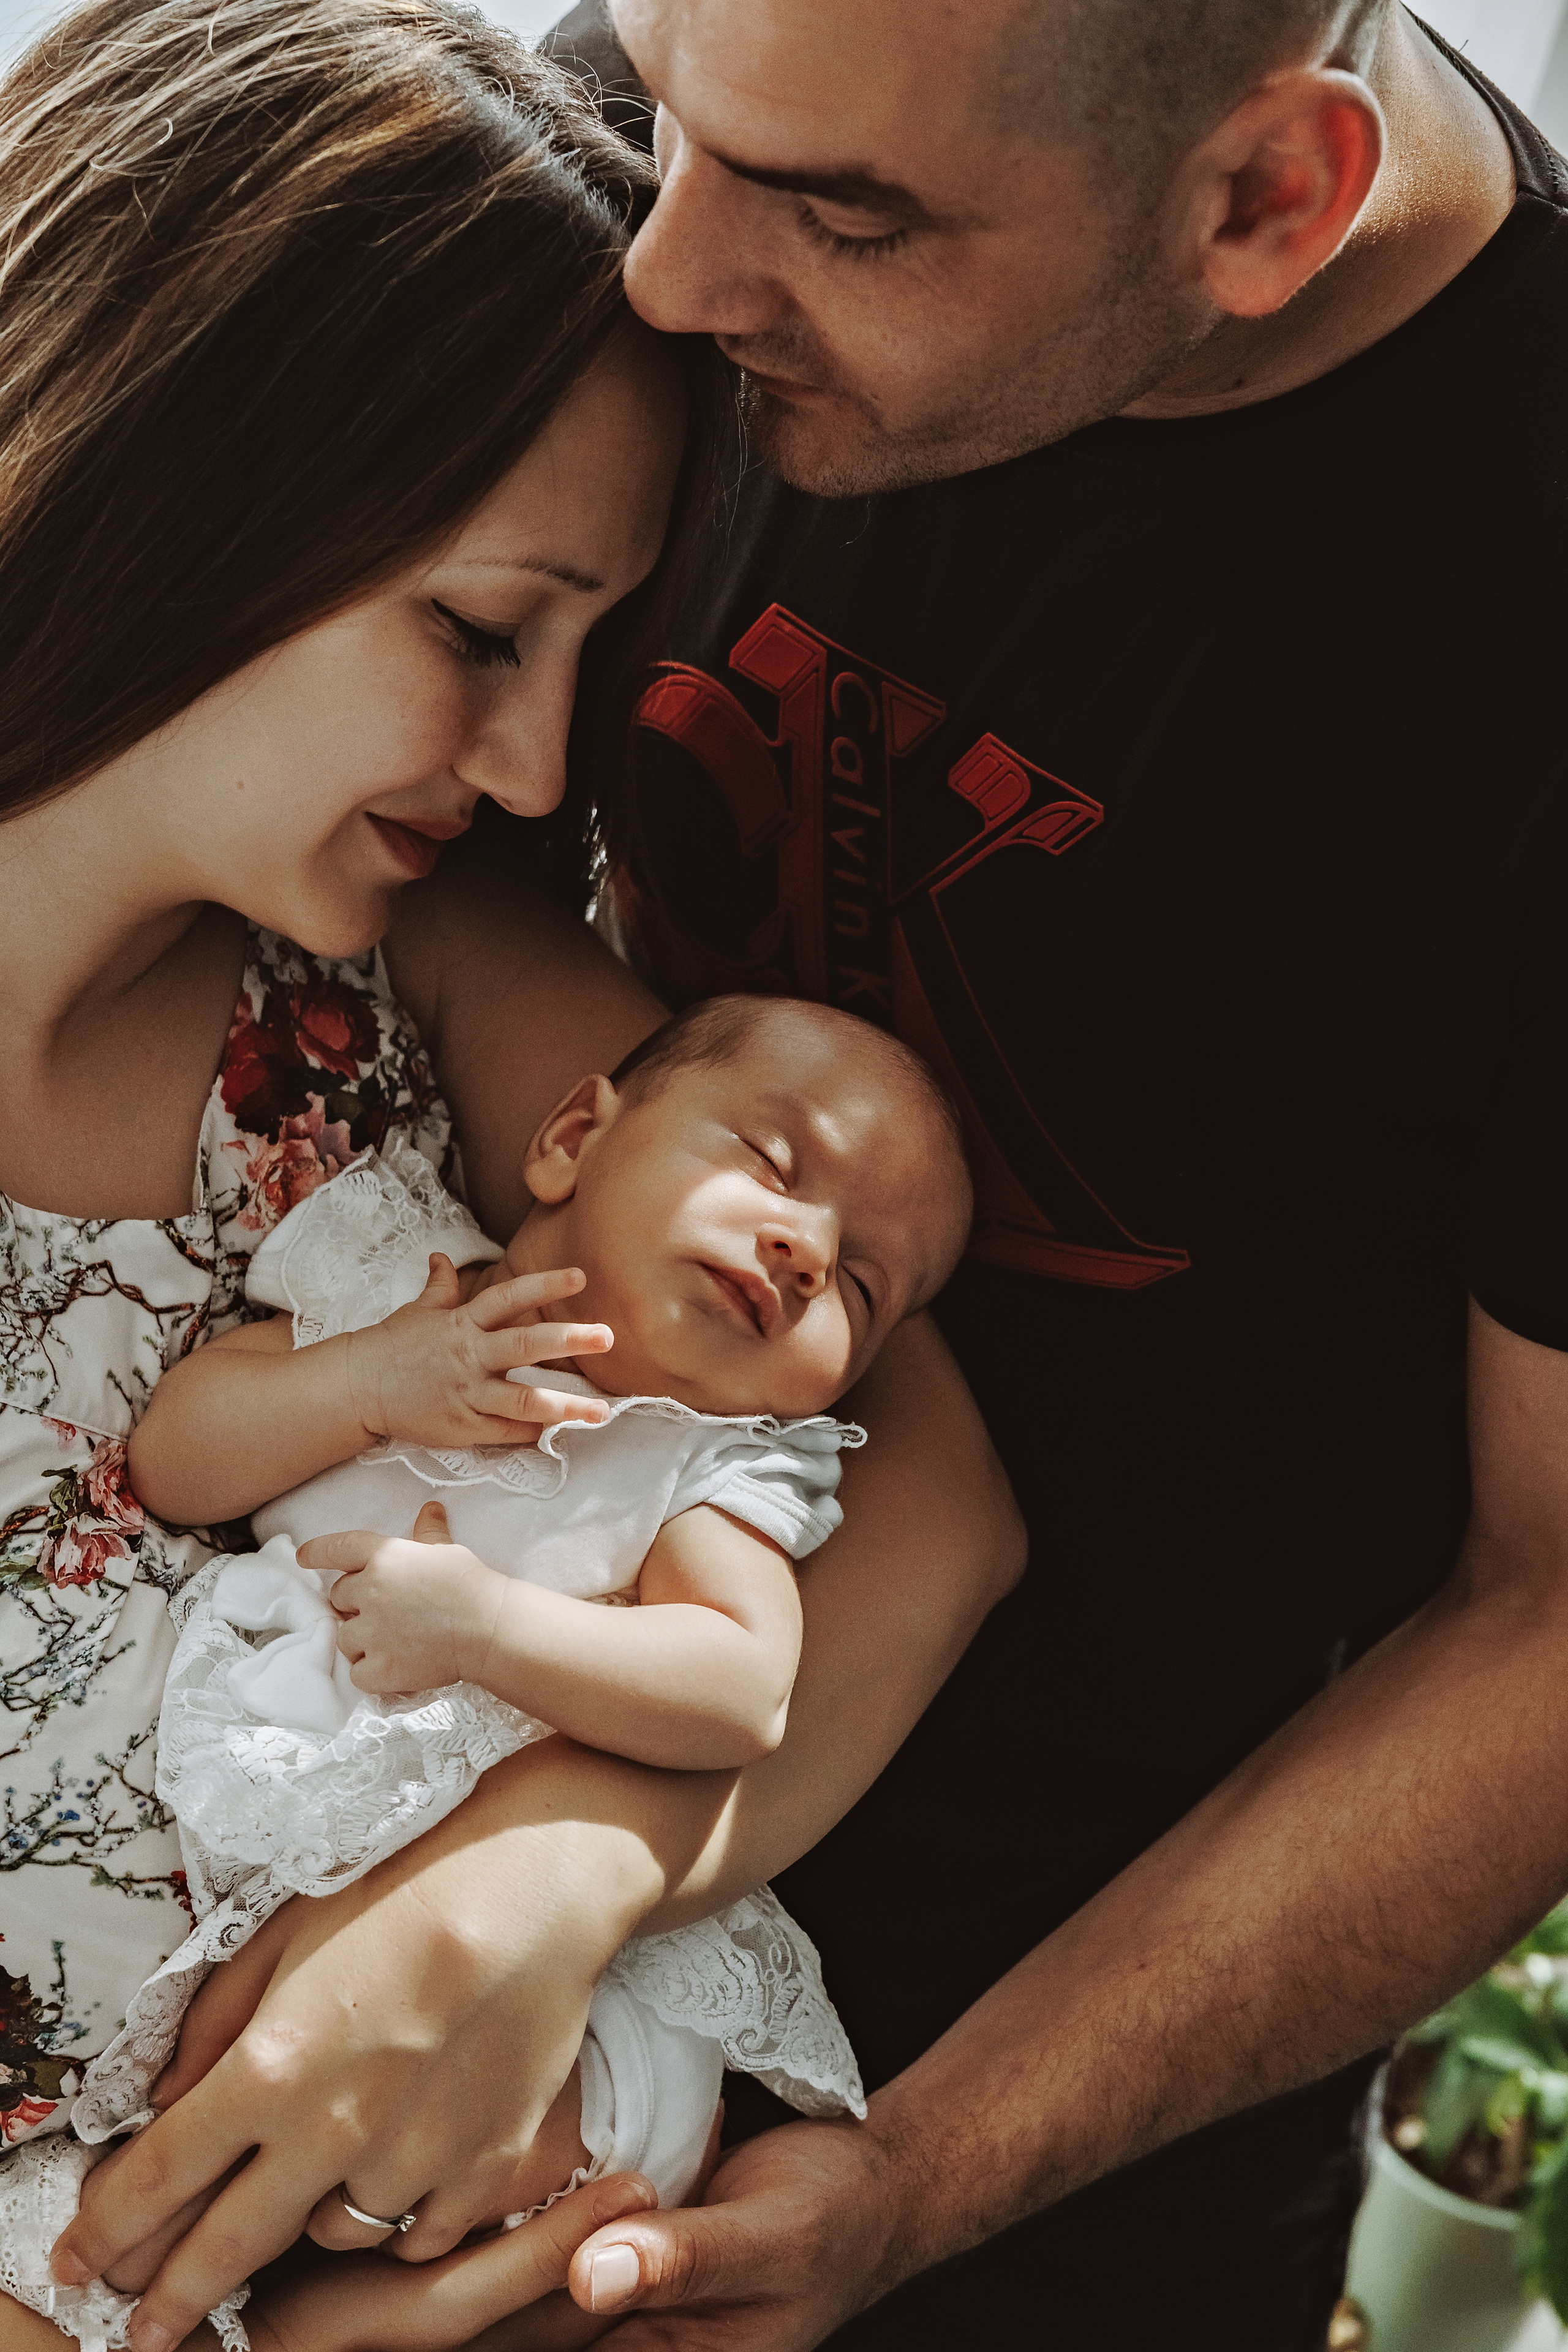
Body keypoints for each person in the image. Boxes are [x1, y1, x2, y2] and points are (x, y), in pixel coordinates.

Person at [464, 1, 1564, 2345]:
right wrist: (479, 1876)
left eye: (844, 219)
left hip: (1029, 2101)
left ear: (1269, 198)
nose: (662, 271)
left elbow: (1552, 1619)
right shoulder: (735, 136)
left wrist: (918, 2179)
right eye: (667, 105)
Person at [0, 6, 1022, 2350]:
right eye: (476, 630)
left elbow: (926, 1500)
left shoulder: (398, 980)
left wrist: (525, 1885)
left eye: (585, 644)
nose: (546, 758)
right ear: (186, 473)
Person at [12, 997, 970, 2351]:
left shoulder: (704, 1469)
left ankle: (353, 2302)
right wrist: (372, 1387)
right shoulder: (396, 1286)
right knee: (132, 2184)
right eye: (770, 1163)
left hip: (532, 1993)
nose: (806, 1250)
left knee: (529, 2129)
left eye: (864, 1288)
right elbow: (173, 1457)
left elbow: (739, 1688)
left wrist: (487, 1630)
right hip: (254, 1886)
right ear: (575, 1136)